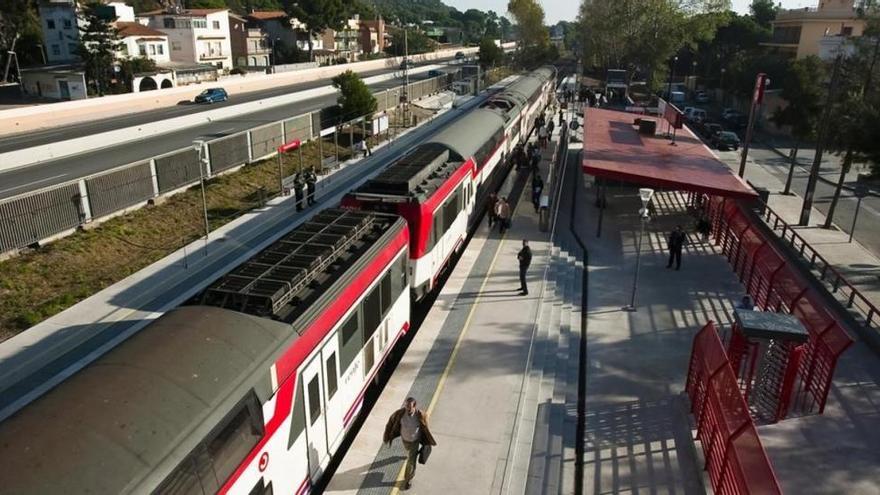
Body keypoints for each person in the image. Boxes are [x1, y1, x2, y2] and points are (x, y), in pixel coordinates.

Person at [383, 397, 437, 491]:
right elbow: (390, 422)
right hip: (405, 440)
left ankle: (408, 479)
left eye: (409, 407)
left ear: (414, 406)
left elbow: (426, 427)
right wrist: (387, 435)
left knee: (411, 461)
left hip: (415, 441)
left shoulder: (421, 415)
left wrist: (427, 439)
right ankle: (412, 454)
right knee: (410, 453)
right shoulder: (399, 414)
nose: (407, 408)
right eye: (406, 406)